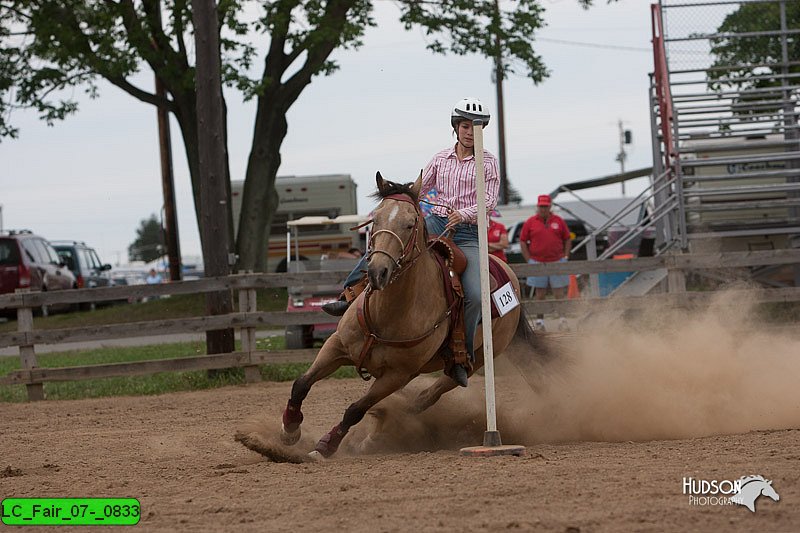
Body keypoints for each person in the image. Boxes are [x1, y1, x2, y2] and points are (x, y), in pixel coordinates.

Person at [322, 97, 500, 388]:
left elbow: (490, 200)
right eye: (466, 126)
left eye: (476, 127)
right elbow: (421, 188)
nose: (470, 132)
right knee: (386, 245)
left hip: (469, 234)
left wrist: (464, 214)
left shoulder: (488, 162)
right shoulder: (440, 159)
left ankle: (460, 354)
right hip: (434, 224)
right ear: (456, 128)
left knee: (476, 295)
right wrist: (397, 204)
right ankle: (347, 296)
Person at [519, 194, 572, 332]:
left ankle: (562, 320)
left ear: (550, 206)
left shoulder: (558, 221)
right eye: (541, 206)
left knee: (559, 292)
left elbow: (567, 238)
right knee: (540, 293)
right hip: (537, 261)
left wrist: (566, 256)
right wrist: (528, 258)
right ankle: (540, 321)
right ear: (538, 206)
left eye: (545, 206)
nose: (543, 209)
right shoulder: (531, 222)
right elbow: (523, 240)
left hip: (556, 260)